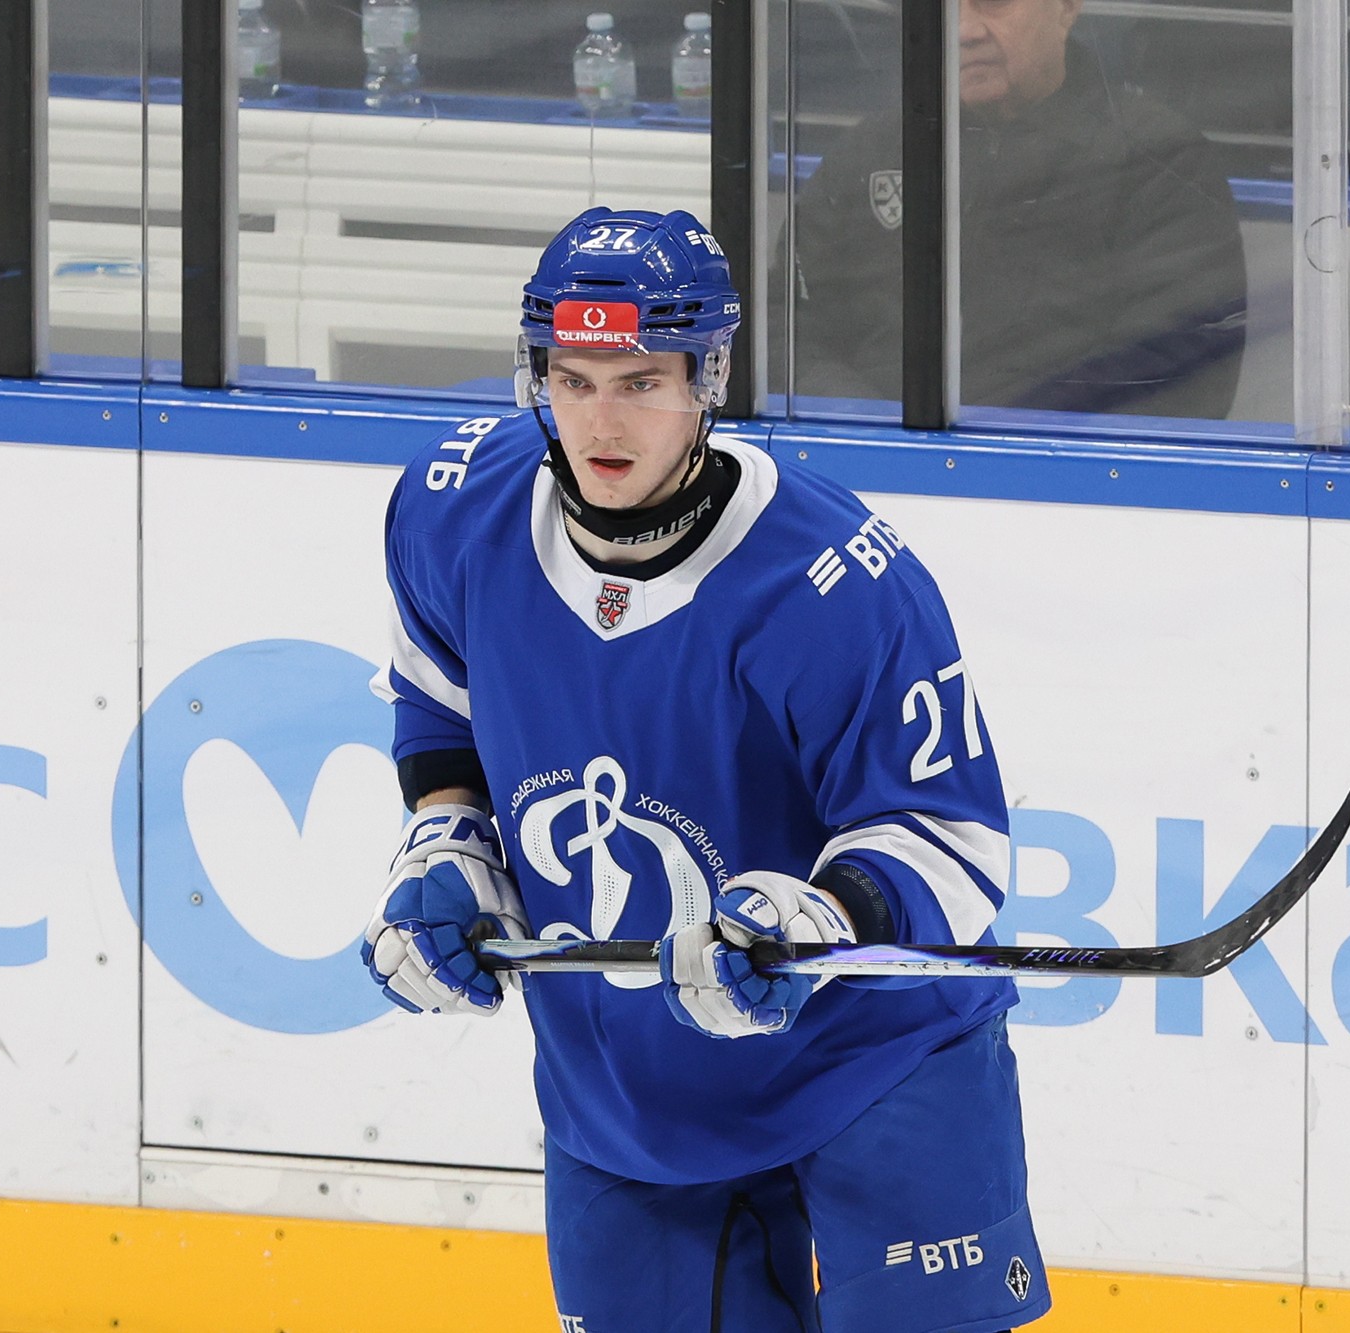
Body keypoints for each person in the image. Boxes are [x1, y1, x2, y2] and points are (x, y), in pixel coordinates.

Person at [361, 206, 1052, 1332]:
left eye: (640, 382)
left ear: (706, 378)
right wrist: (449, 839)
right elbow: (440, 702)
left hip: (872, 1064)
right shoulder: (454, 511)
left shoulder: (830, 581)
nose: (601, 421)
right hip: (632, 1086)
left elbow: (950, 838)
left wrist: (818, 919)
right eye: (573, 381)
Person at [792, 0, 1249, 419]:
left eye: (993, 3)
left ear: (1066, 8)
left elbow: (1179, 367)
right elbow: (784, 321)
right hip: (864, 462)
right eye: (942, 7)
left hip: (1061, 473)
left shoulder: (1158, 161)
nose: (965, 31)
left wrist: (1005, 448)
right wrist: (865, 421)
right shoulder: (872, 151)